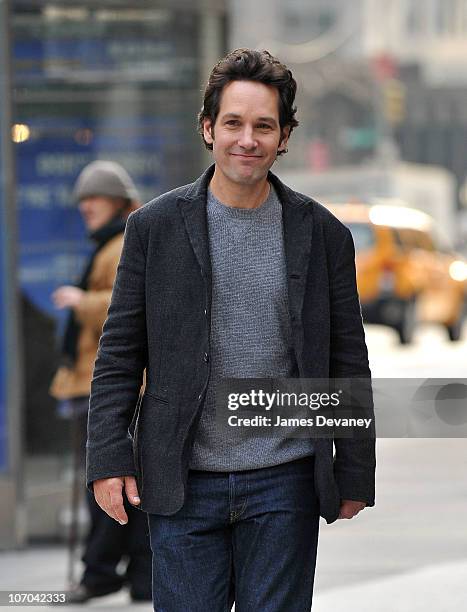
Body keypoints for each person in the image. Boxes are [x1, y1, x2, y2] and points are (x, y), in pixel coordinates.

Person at [86, 49, 376, 611]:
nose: (248, 139)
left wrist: (355, 469)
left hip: (284, 478)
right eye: (233, 123)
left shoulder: (324, 235)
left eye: (264, 126)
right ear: (208, 128)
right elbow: (120, 351)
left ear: (285, 135)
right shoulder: (154, 228)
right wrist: (109, 461)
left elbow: (347, 356)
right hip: (182, 478)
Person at [49, 160, 152, 604]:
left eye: (97, 198)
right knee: (119, 485)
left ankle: (101, 572)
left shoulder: (124, 241)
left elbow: (126, 306)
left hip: (110, 384)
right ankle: (131, 574)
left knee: (108, 484)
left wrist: (80, 301)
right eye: (84, 200)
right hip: (97, 381)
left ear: (120, 203)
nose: (87, 207)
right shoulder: (109, 242)